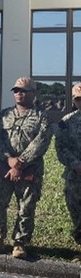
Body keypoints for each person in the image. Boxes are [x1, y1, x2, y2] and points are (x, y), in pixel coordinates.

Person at [0, 77, 52, 260]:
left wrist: (20, 163)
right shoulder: (2, 116)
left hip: (29, 170)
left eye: (23, 90)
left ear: (33, 94)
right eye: (16, 90)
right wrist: (9, 160)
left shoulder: (42, 117)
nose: (18, 93)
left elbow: (41, 143)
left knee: (26, 207)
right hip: (4, 168)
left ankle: (20, 243)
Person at [54, 83, 81, 249]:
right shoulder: (66, 121)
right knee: (76, 211)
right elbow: (61, 147)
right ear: (74, 101)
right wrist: (75, 164)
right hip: (74, 175)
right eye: (78, 99)